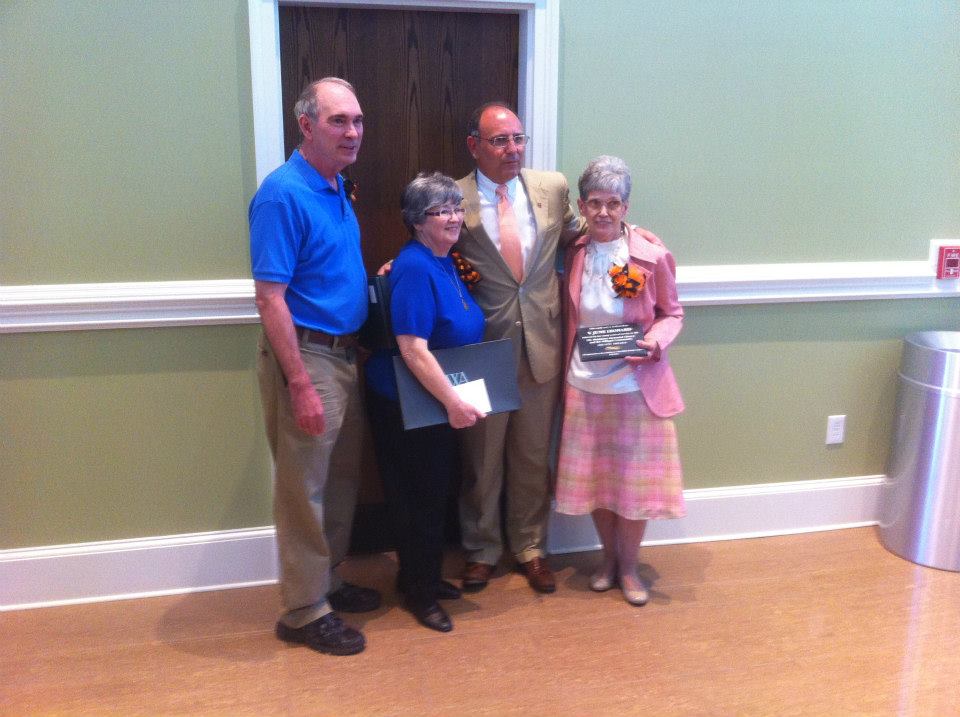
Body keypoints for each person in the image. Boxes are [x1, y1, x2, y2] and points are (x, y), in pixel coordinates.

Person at [249, 77, 380, 656]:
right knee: (305, 489)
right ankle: (303, 611)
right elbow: (269, 297)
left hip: (345, 354)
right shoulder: (283, 194)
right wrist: (298, 381)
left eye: (356, 120)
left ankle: (325, 585)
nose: (352, 132)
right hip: (308, 358)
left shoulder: (337, 187)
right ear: (306, 125)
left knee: (342, 478)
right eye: (338, 121)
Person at [454, 102, 585, 594]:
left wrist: (631, 237)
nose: (512, 150)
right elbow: (433, 249)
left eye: (518, 139)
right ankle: (481, 550)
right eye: (499, 141)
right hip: (485, 348)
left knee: (532, 454)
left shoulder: (551, 187)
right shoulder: (455, 196)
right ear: (475, 146)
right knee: (481, 460)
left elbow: (579, 235)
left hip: (541, 343)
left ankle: (530, 547)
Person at [555, 155, 686, 606]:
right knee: (599, 483)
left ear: (627, 207)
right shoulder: (572, 251)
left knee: (632, 487)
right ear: (581, 205)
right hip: (583, 385)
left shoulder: (650, 253)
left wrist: (653, 342)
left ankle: (629, 568)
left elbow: (673, 313)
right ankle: (606, 561)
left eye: (613, 203)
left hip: (635, 389)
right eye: (595, 203)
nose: (604, 212)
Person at [364, 172, 487, 633]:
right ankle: (418, 591)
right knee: (416, 498)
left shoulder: (444, 259)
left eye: (457, 207)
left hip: (434, 398)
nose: (454, 217)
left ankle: (425, 576)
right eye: (442, 211)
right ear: (417, 221)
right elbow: (413, 348)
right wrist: (454, 402)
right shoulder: (415, 266)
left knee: (435, 493)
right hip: (405, 401)